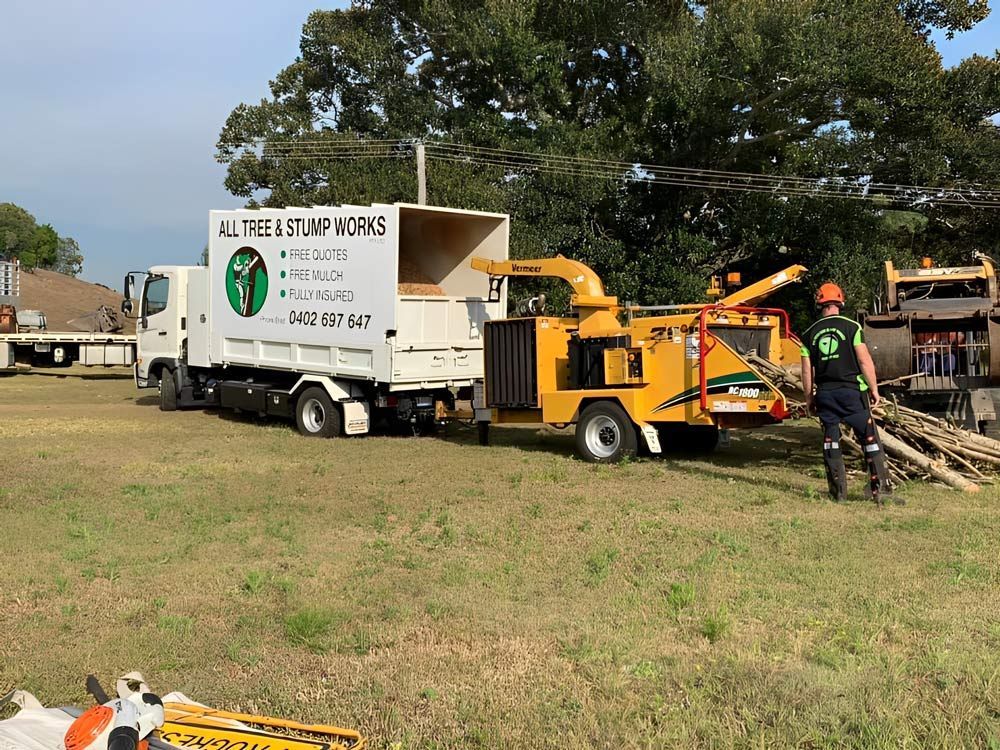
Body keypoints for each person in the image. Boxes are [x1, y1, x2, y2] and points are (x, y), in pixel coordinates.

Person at [800, 283, 891, 502]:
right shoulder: (852, 328)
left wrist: (809, 398)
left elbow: (806, 370)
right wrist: (874, 388)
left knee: (831, 442)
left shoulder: (808, 334)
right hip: (852, 393)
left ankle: (838, 493)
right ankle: (880, 492)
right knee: (869, 439)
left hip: (826, 394)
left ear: (820, 303)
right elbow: (864, 359)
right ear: (840, 302)